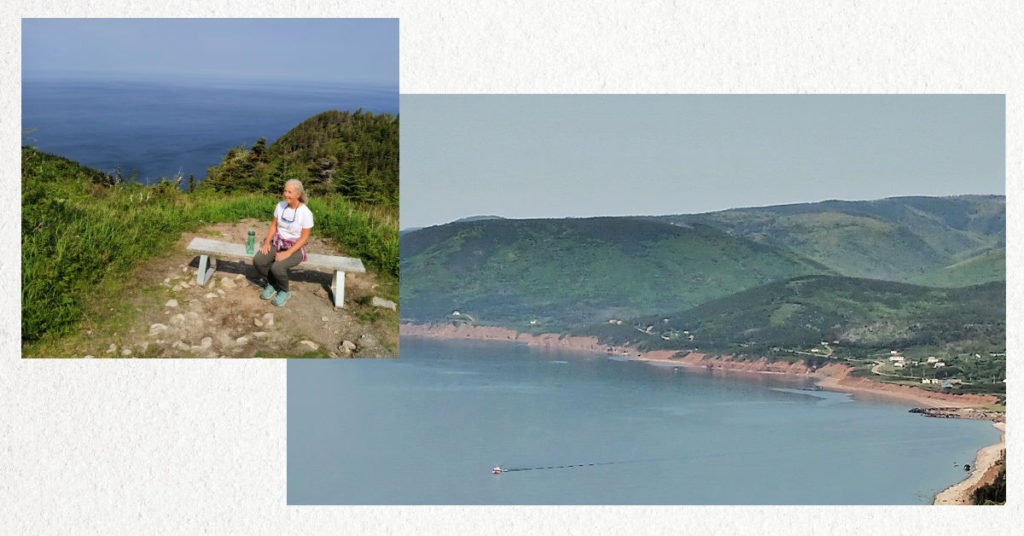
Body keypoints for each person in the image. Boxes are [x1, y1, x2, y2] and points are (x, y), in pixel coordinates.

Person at [253, 179, 313, 306]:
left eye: (289, 192)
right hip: (278, 243)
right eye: (285, 191)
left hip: (295, 248)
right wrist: (267, 242)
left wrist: (287, 253)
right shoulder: (280, 206)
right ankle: (273, 283)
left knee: (277, 267)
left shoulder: (306, 213)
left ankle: (285, 291)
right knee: (259, 260)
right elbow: (274, 226)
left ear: (298, 194)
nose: (286, 194)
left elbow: (304, 239)